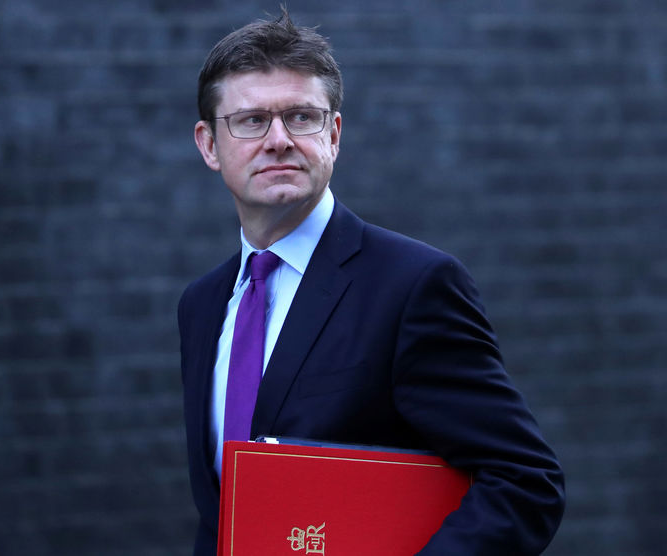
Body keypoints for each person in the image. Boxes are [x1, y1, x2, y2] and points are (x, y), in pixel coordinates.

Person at [178, 8, 565, 555]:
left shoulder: (414, 287)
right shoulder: (201, 306)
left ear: (333, 134)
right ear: (209, 145)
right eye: (250, 121)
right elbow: (220, 514)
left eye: (302, 117)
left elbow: (525, 480)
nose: (279, 140)